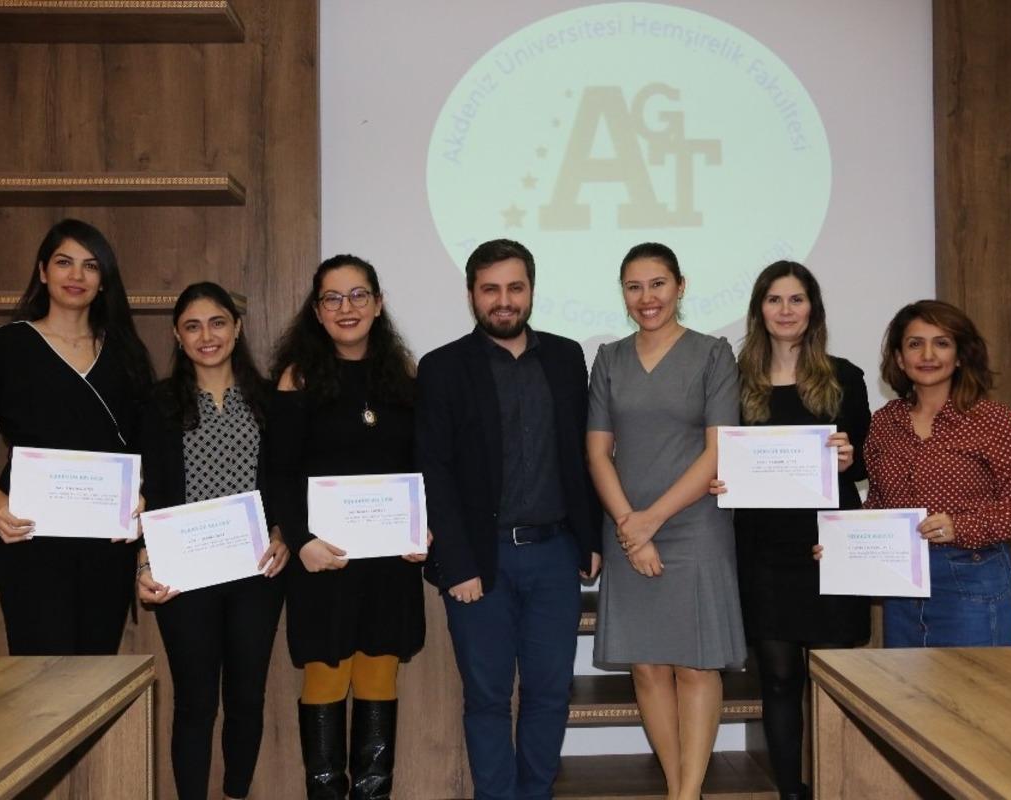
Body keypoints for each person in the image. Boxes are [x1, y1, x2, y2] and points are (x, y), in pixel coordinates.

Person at [416, 238, 601, 800]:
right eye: (490, 289)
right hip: (480, 559)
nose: (504, 300)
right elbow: (433, 470)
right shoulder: (442, 367)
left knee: (550, 694)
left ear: (531, 291)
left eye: (515, 288)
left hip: (555, 555)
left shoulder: (567, 357)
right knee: (488, 698)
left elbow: (582, 454)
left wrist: (590, 538)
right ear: (471, 294)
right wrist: (457, 562)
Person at [0, 218, 154, 656]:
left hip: (107, 537)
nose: (76, 275)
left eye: (90, 265)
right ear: (43, 271)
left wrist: (140, 495)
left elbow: (146, 441)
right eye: (64, 262)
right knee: (38, 669)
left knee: (96, 669)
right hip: (29, 533)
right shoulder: (3, 346)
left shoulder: (125, 352)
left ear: (104, 280)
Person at [586, 242, 746, 800]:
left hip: (695, 526)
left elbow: (718, 451)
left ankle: (687, 793)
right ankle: (679, 787)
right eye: (634, 287)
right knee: (648, 666)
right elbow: (597, 452)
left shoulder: (713, 355)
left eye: (657, 284)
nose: (646, 297)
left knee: (697, 665)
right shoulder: (609, 359)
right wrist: (630, 526)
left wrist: (648, 522)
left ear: (680, 286)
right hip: (626, 523)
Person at [269, 254, 426, 800]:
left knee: (380, 675)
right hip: (322, 561)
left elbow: (421, 467)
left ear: (379, 304)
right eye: (332, 298)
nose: (347, 307)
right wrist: (301, 541)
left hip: (388, 564)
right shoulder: (298, 380)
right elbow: (278, 473)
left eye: (359, 295)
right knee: (326, 677)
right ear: (316, 311)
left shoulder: (406, 381)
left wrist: (421, 529)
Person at [711, 261, 869, 800]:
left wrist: (849, 456)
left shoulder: (845, 377)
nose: (785, 310)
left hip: (828, 547)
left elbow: (864, 458)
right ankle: (790, 792)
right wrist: (719, 477)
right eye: (774, 299)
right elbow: (716, 453)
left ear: (813, 309)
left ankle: (840, 786)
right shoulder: (734, 380)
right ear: (759, 309)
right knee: (778, 679)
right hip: (763, 550)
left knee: (834, 679)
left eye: (796, 299)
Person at [135, 282, 289, 800]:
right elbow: (148, 490)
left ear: (237, 328)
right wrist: (143, 562)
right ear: (177, 336)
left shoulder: (270, 400)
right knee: (195, 702)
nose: (207, 336)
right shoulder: (157, 404)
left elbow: (288, 480)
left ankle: (236, 793)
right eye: (193, 326)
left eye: (218, 322)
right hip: (184, 572)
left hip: (257, 571)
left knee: (246, 697)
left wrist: (285, 533)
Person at [858, 299, 1011, 646]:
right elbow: (878, 501)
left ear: (960, 356)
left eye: (941, 343)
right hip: (902, 585)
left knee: (975, 681)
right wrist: (845, 544)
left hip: (972, 576)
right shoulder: (884, 422)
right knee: (904, 683)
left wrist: (960, 526)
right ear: (899, 358)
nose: (928, 355)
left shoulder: (991, 419)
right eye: (915, 344)